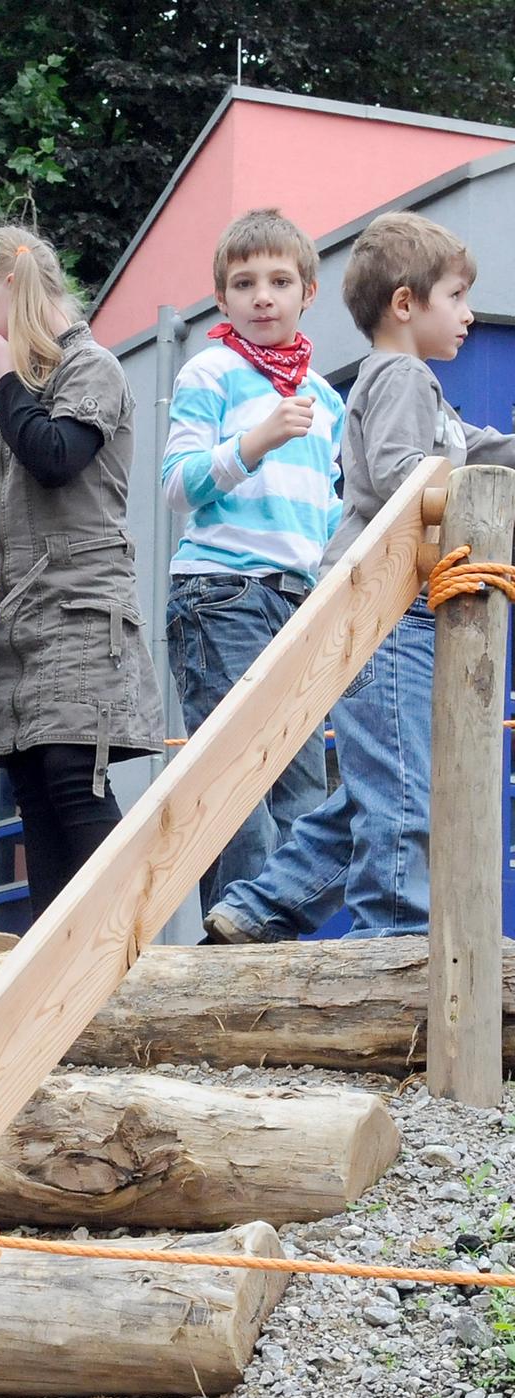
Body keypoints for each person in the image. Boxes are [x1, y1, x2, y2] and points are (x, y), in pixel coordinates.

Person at [205, 211, 515, 944]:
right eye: (458, 297)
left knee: (382, 781)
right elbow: (404, 476)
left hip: (397, 612)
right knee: (405, 788)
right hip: (382, 609)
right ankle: (395, 937)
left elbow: (486, 451)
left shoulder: (425, 391)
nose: (469, 315)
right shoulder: (400, 377)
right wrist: (452, 530)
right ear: (406, 305)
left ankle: (259, 909)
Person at [0, 224, 165, 917]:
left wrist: (10, 375)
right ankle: (56, 980)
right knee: (38, 801)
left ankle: (120, 957)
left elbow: (54, 455)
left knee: (77, 789)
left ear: (14, 289)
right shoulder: (5, 390)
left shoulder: (89, 367)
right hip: (19, 626)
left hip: (79, 615)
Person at [162, 208, 344, 911]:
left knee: (303, 785)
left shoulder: (323, 396)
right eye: (244, 283)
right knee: (240, 773)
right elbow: (177, 487)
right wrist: (256, 441)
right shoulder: (211, 370)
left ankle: (280, 935)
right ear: (223, 296)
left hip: (297, 600)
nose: (262, 296)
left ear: (307, 292)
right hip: (222, 593)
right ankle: (233, 936)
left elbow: (327, 516)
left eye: (278, 280)